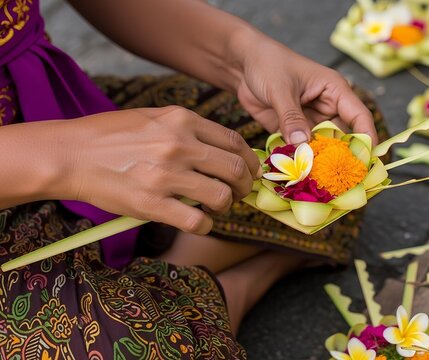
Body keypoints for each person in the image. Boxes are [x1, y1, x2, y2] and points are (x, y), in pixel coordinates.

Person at [0, 0, 389, 358]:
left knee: (333, 132)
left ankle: (181, 293)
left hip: (53, 107)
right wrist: (70, 157)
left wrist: (240, 53)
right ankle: (227, 289)